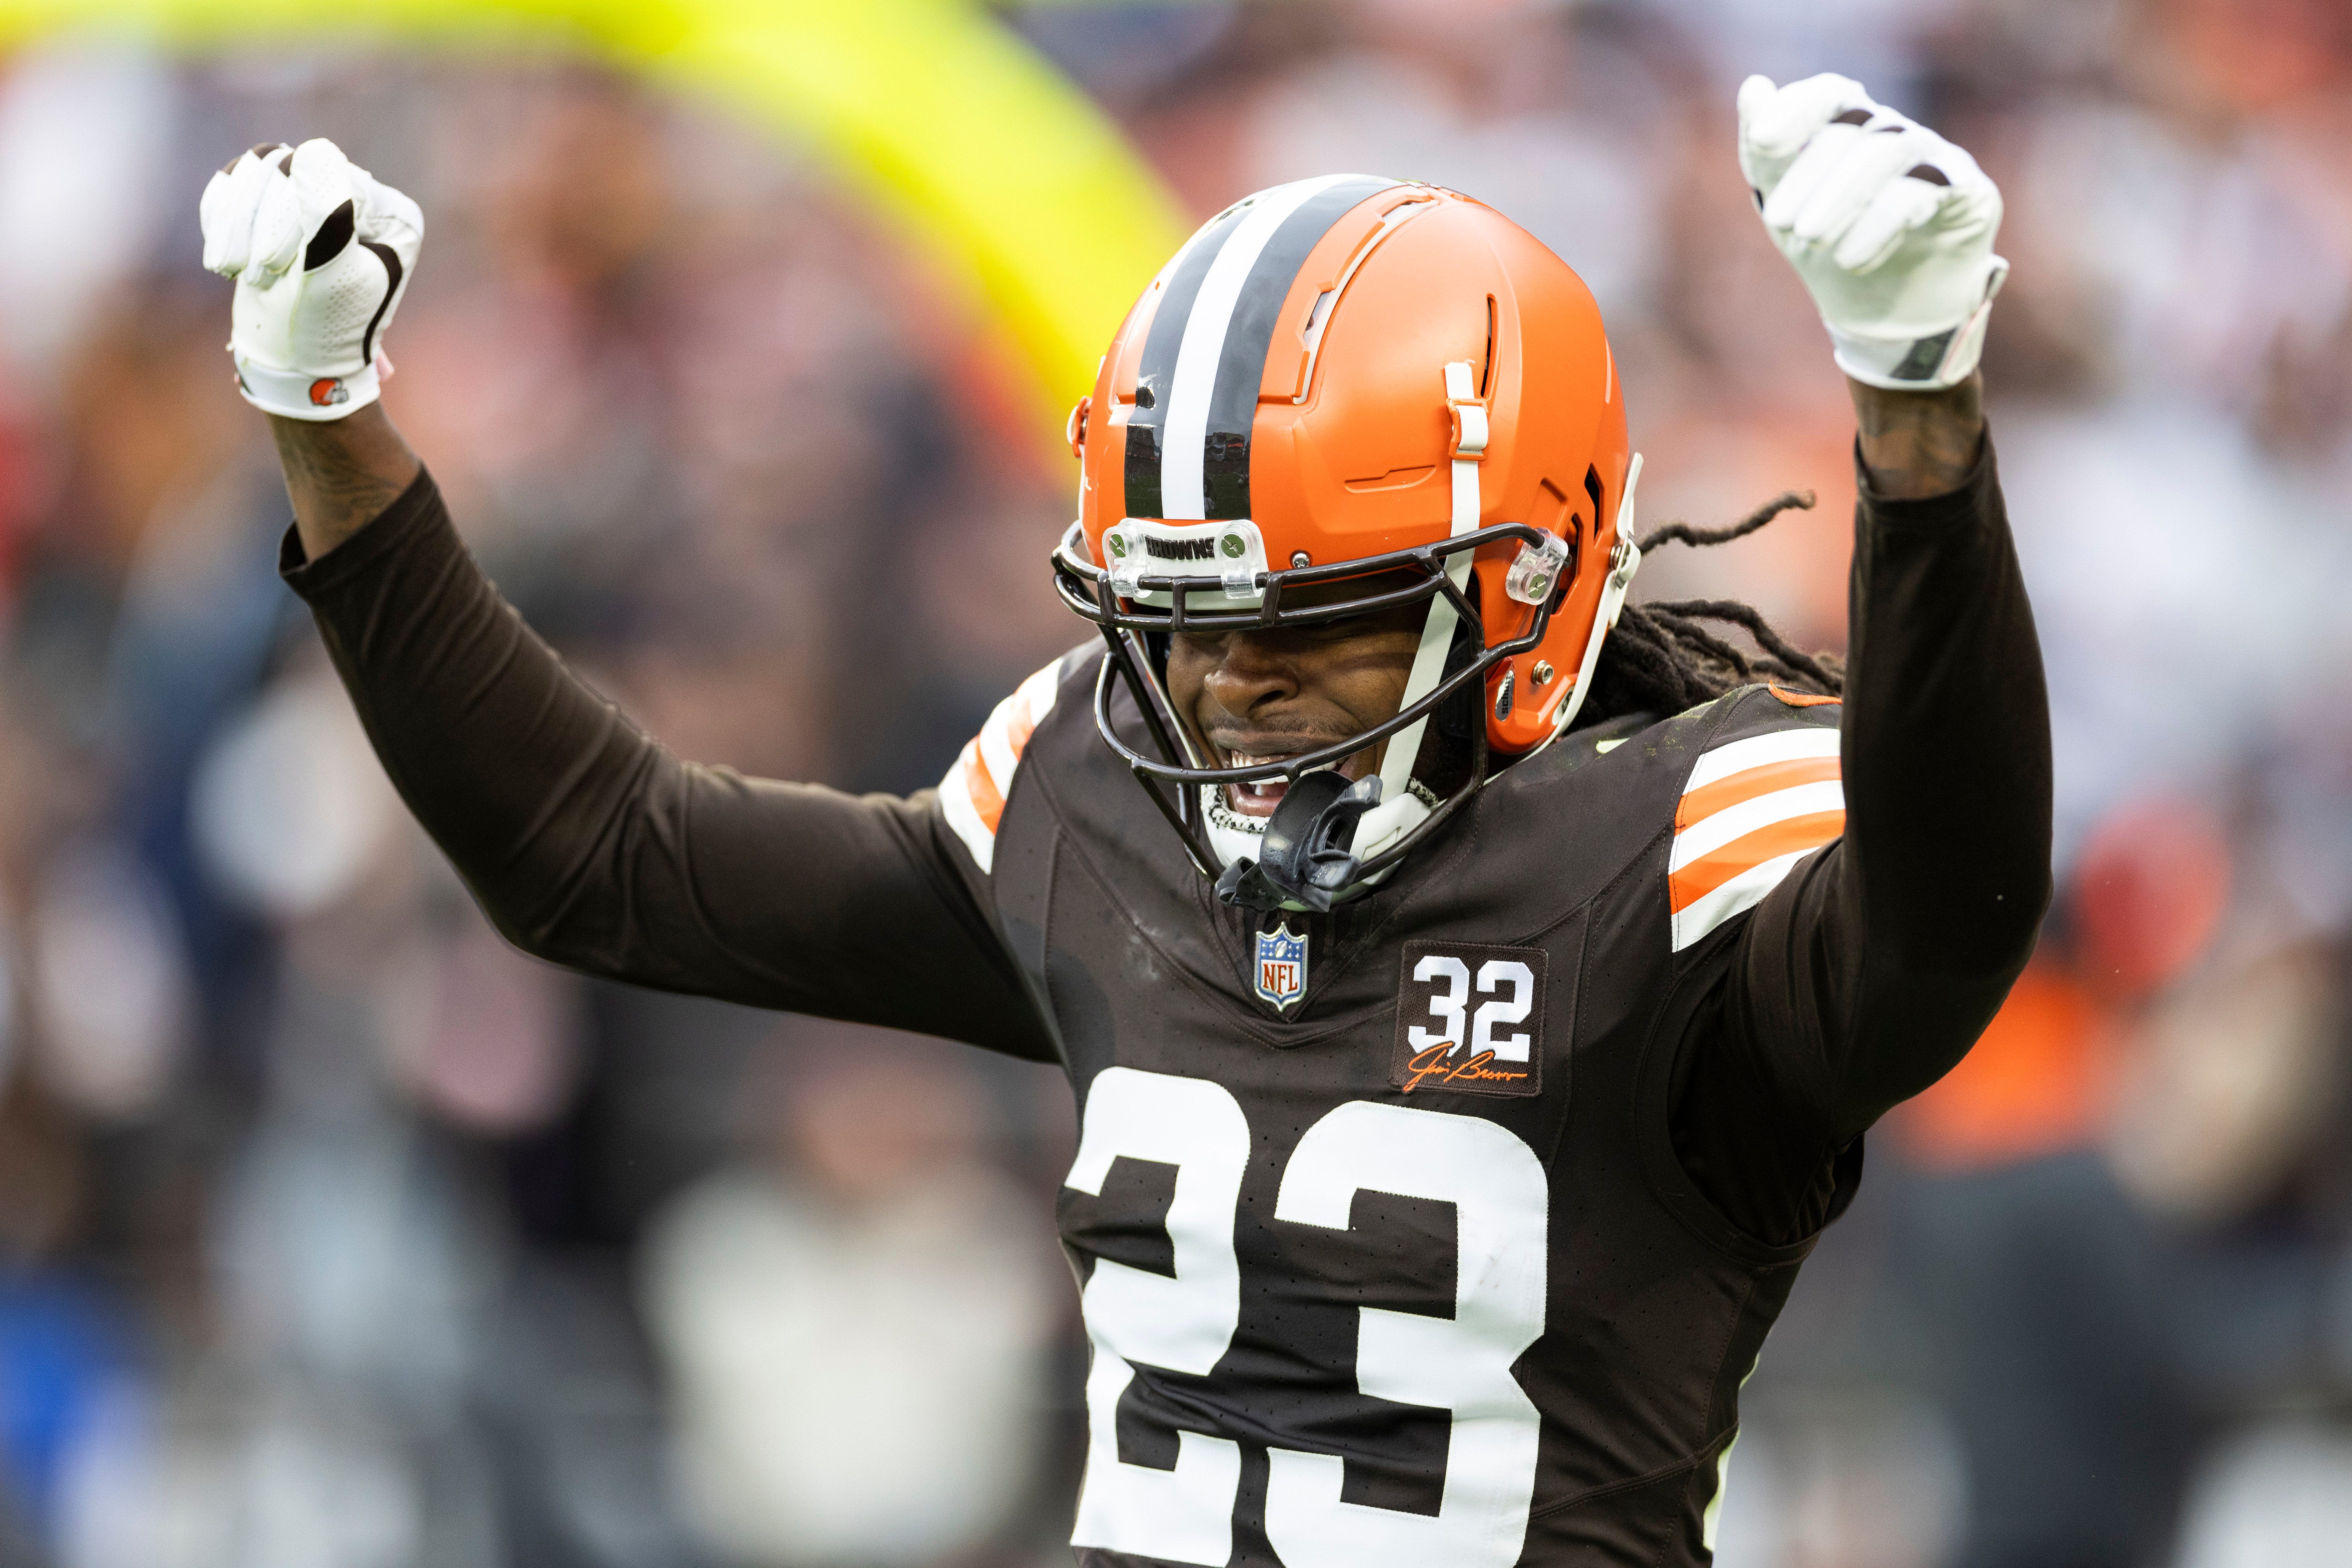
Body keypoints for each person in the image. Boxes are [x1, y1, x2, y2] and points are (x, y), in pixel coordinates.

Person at [198, 71, 2050, 1566]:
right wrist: (327, 415)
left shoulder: (1680, 848)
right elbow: (602, 862)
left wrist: (1916, 419)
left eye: (1307, 627)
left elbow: (1944, 915)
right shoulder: (1093, 798)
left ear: (1530, 588)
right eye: (1181, 627)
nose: (1229, 691)